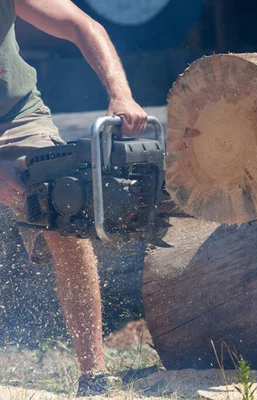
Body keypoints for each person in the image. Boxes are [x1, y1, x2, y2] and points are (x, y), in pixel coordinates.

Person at [0, 0, 148, 395]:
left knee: (66, 215)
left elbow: (82, 25)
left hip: (17, 115)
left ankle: (93, 375)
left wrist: (122, 95)